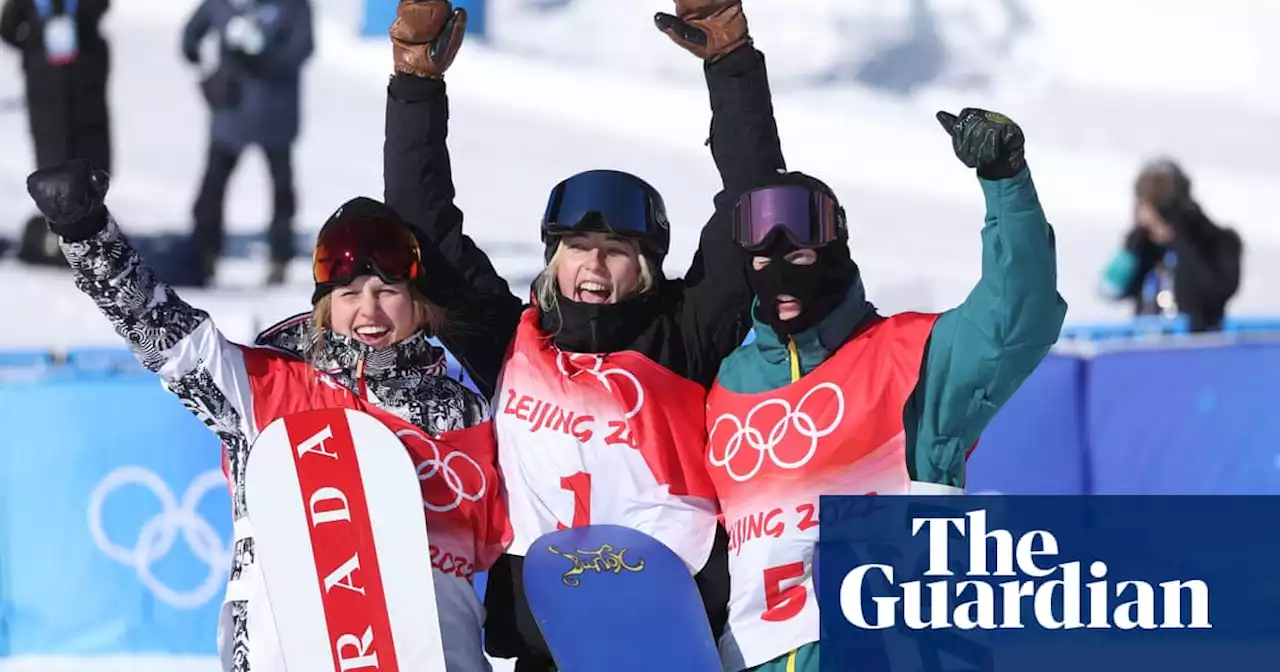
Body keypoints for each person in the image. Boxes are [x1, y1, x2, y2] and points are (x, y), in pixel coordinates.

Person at [380, 0, 783, 667]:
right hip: (545, 640)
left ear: (647, 268)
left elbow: (758, 203)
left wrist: (730, 62)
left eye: (616, 250)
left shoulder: (685, 331)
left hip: (667, 637)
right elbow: (421, 223)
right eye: (578, 246)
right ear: (552, 257)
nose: (593, 264)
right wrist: (415, 83)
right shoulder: (511, 338)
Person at [26, 159, 510, 672]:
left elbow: (480, 554)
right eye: (348, 294)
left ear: (419, 304)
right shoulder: (270, 387)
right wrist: (85, 233)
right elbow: (165, 333)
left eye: (388, 292)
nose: (369, 310)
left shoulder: (462, 412)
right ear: (325, 307)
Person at [702, 108, 1067, 671]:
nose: (783, 276)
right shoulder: (727, 386)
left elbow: (1018, 315)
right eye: (764, 261)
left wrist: (1005, 181)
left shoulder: (910, 355)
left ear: (837, 251)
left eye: (800, 257)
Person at [181, 0, 314, 286]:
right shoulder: (224, 3)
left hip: (275, 112)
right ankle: (204, 253)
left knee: (281, 189)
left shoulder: (292, 6)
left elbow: (303, 47)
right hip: (233, 111)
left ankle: (279, 255)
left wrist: (264, 60)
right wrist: (196, 56)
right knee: (213, 186)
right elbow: (192, 32)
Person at [1, 0, 111, 264]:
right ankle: (66, 237)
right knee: (59, 162)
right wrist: (36, 46)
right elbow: (7, 27)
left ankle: (84, 234)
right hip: (54, 84)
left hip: (73, 83)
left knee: (78, 159)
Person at [1100, 158, 1242, 332]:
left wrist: (1181, 239)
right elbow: (1109, 288)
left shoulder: (1216, 242)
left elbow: (1215, 291)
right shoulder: (1143, 247)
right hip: (1147, 350)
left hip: (1196, 348)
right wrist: (1133, 250)